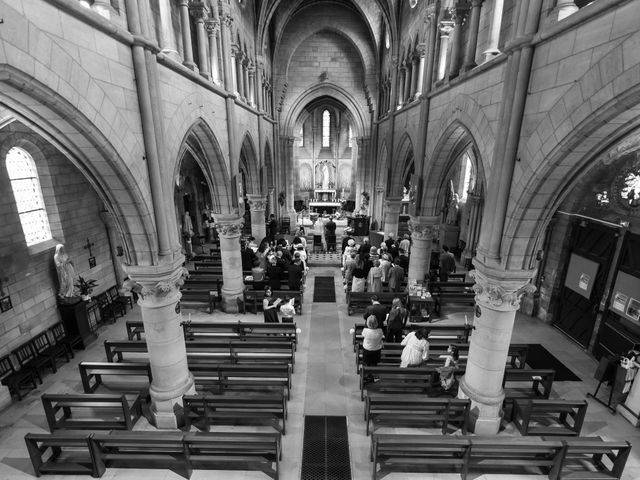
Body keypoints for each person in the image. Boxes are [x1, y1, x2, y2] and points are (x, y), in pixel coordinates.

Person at [362, 315, 384, 383]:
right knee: (374, 363)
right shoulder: (380, 330)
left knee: (367, 363)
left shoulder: (365, 330)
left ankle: (367, 377)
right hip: (376, 350)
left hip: (367, 350)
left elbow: (363, 335)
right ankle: (373, 376)